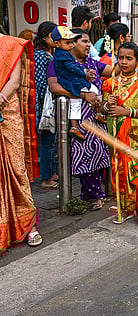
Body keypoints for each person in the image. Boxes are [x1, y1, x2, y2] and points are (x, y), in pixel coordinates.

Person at [47, 29, 113, 211]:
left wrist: (125, 56)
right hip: (78, 119)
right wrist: (83, 95)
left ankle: (93, 193)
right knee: (84, 157)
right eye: (84, 41)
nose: (89, 45)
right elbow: (54, 87)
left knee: (100, 155)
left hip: (98, 117)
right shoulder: (58, 63)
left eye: (89, 41)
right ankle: (94, 195)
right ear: (72, 43)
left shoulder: (93, 63)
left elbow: (114, 70)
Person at [101, 42, 138, 227]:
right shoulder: (110, 83)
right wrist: (107, 104)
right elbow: (104, 110)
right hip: (117, 135)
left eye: (129, 58)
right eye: (121, 58)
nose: (124, 62)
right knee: (119, 171)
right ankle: (126, 209)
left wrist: (125, 112)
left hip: (137, 135)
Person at [0, 33, 42, 252]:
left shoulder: (11, 45)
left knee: (17, 169)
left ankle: (28, 226)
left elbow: (14, 81)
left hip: (7, 113)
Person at [51, 26, 99, 142]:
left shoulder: (64, 54)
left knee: (75, 102)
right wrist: (84, 74)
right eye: (68, 42)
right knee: (94, 89)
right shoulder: (62, 56)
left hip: (71, 84)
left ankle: (74, 126)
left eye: (72, 42)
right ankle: (97, 112)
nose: (71, 45)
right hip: (72, 83)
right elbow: (71, 68)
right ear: (57, 44)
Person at [33, 21, 58, 190]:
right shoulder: (41, 55)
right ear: (45, 37)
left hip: (48, 104)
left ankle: (52, 172)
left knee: (51, 141)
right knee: (47, 141)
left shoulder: (49, 54)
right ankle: (46, 178)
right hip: (44, 106)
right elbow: (41, 83)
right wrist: (49, 100)